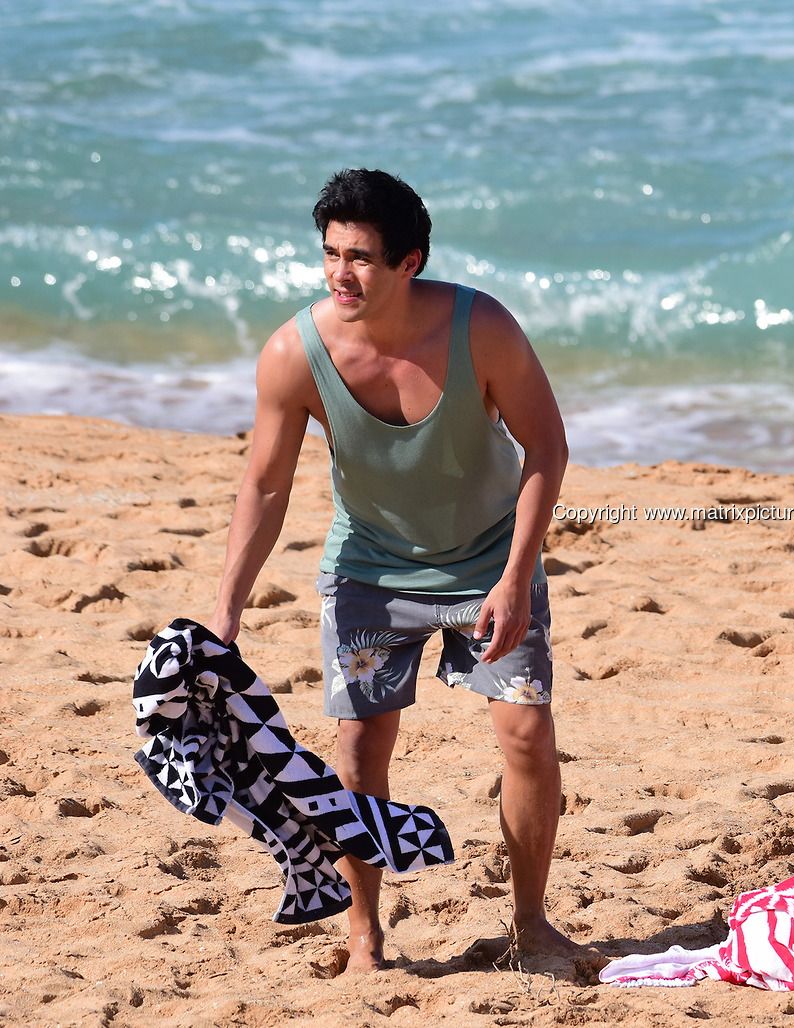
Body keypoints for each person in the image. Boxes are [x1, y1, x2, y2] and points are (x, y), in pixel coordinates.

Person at [209, 168, 575, 973]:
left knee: (526, 734)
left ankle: (532, 924)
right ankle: (364, 934)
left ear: (410, 262)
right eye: (331, 254)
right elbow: (265, 485)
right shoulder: (294, 354)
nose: (340, 274)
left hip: (488, 560)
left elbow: (546, 447)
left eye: (362, 258)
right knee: (360, 749)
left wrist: (516, 577)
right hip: (370, 568)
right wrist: (227, 610)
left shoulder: (480, 328)